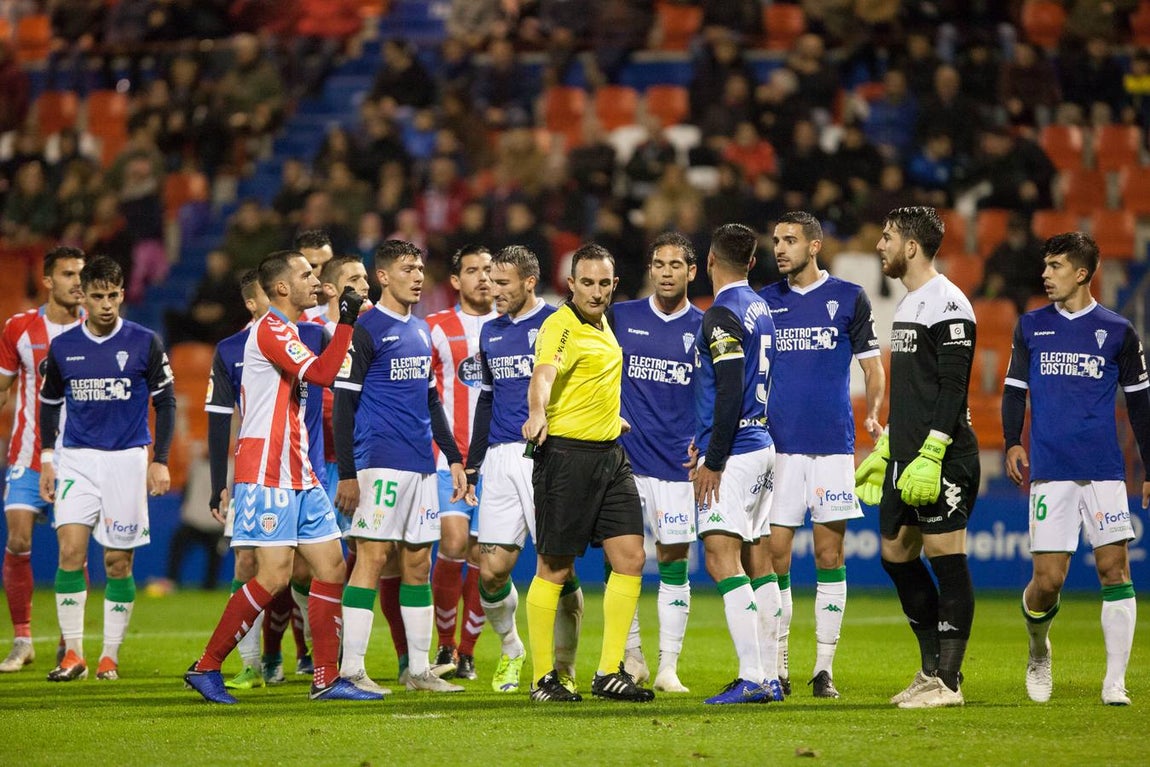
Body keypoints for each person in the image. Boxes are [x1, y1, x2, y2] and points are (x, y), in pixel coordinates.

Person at [184, 250, 376, 704]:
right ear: (282, 289)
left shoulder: (290, 331)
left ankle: (326, 678)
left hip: (299, 470)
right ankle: (208, 665)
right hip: (268, 472)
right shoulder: (271, 331)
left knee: (332, 565)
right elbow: (326, 373)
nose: (315, 279)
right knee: (272, 578)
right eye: (306, 274)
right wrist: (346, 319)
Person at [1002, 231, 1147, 707]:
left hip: (1104, 471)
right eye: (1045, 265)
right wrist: (1010, 442)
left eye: (1056, 266)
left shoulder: (1119, 331)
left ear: (1083, 273)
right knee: (1048, 582)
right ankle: (1038, 649)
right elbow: (1014, 391)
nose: (1045, 274)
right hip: (1051, 470)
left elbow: (1141, 404)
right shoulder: (1030, 326)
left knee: (1114, 568)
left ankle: (1114, 681)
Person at [332, 240, 468, 694]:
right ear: (383, 276)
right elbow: (344, 405)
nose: (417, 276)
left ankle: (419, 669)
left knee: (418, 563)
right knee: (370, 558)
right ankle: (350, 670)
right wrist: (349, 472)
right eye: (408, 268)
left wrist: (451, 456)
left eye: (420, 268)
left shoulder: (421, 330)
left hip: (421, 466)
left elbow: (431, 400)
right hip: (380, 463)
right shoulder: (366, 330)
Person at [521, 243, 654, 703]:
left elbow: (588, 381)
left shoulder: (604, 325)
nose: (597, 292)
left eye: (604, 283)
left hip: (610, 456)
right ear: (571, 284)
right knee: (555, 568)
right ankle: (543, 680)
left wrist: (607, 417)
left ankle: (606, 671)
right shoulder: (561, 324)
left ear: (613, 284)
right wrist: (537, 412)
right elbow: (544, 374)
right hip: (566, 458)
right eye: (588, 283)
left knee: (631, 558)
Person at [856, 206, 978, 709]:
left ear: (911, 246)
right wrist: (888, 447)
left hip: (943, 455)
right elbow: (915, 388)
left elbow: (952, 390)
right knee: (896, 554)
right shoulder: (909, 304)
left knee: (944, 556)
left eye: (887, 237)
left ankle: (948, 681)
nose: (879, 246)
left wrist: (931, 451)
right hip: (906, 454)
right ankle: (930, 671)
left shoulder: (950, 302)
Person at [760, 212, 885, 699]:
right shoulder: (764, 303)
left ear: (815, 246)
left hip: (833, 447)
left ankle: (823, 669)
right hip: (778, 449)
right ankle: (780, 665)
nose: (780, 248)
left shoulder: (848, 298)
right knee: (776, 558)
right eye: (775, 240)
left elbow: (873, 368)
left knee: (831, 555)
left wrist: (874, 413)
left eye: (790, 240)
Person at [38, 256, 175, 683]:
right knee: (70, 553)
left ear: (121, 294)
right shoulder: (63, 347)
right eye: (97, 296)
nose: (106, 304)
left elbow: (166, 402)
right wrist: (46, 458)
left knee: (118, 563)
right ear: (83, 296)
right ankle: (73, 653)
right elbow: (49, 404)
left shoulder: (144, 341)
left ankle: (109, 656)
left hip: (127, 461)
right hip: (77, 458)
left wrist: (160, 461)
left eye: (113, 295)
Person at [464, 245, 585, 694]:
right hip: (498, 456)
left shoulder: (558, 323)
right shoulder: (490, 332)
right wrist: (473, 462)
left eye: (503, 283)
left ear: (529, 282)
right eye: (491, 282)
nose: (492, 290)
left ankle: (564, 668)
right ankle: (512, 648)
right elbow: (488, 397)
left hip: (548, 454)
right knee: (491, 569)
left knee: (559, 566)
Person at [606, 232, 703, 693]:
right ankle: (633, 656)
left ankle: (668, 666)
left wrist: (705, 444)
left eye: (675, 265)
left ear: (692, 271)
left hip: (677, 468)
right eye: (659, 264)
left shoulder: (704, 327)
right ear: (650, 270)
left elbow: (715, 394)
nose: (667, 272)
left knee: (672, 563)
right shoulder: (620, 317)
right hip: (625, 464)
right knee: (620, 561)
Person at [691, 224, 782, 705]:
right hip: (761, 442)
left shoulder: (721, 314)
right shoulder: (761, 308)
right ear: (750, 262)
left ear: (709, 260)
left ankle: (754, 677)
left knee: (720, 558)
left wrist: (714, 457)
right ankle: (770, 673)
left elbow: (729, 389)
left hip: (737, 453)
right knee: (755, 557)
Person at [0, 246, 85, 673]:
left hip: (79, 460)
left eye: (81, 274)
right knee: (17, 540)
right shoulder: (20, 328)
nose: (77, 282)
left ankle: (71, 643)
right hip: (28, 456)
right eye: (68, 274)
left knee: (74, 550)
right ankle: (23, 639)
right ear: (48, 280)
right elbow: (2, 390)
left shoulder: (97, 330)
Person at [425, 245, 496, 680]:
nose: (483, 278)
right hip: (446, 459)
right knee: (452, 543)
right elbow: (425, 396)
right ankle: (445, 645)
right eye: (473, 270)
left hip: (497, 460)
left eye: (489, 270)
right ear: (456, 281)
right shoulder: (434, 327)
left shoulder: (511, 327)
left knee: (483, 558)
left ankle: (467, 652)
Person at [298, 229, 336, 322]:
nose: (320, 273)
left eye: (326, 264)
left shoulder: (356, 312)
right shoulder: (283, 319)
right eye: (312, 266)